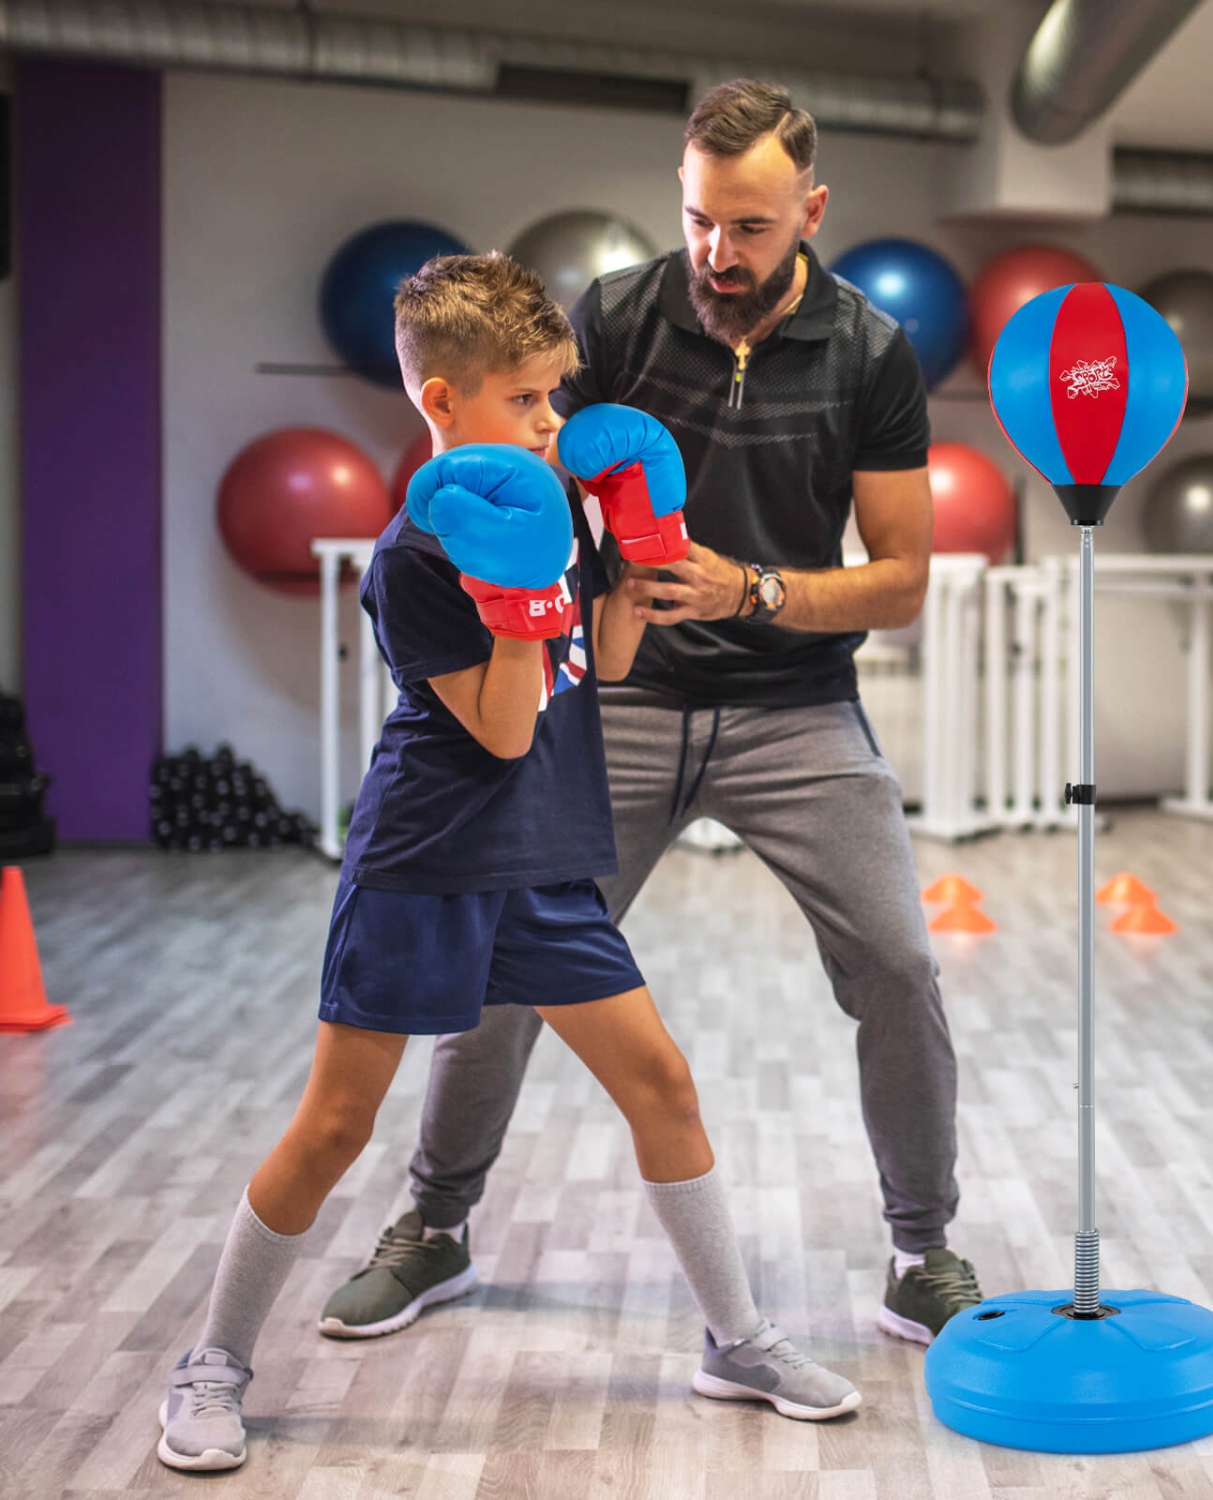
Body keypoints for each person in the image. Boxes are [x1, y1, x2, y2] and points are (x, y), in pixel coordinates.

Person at [154, 254, 859, 1474]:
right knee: (335, 1126)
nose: (552, 422)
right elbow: (496, 724)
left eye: (554, 397)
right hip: (428, 860)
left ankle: (735, 1339)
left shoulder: (553, 510)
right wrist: (527, 601)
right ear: (443, 403)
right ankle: (209, 1364)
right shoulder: (420, 555)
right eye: (527, 399)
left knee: (665, 1087)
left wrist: (639, 571)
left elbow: (608, 670)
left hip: (542, 860)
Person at [324, 78, 983, 1353]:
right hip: (623, 696)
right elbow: (515, 468)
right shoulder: (619, 314)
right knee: (508, 966)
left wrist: (755, 587)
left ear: (812, 208)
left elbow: (900, 579)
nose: (715, 252)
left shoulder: (871, 353)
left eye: (746, 226)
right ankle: (435, 1226)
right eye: (696, 219)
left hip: (796, 709)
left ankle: (922, 1249)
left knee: (899, 966)